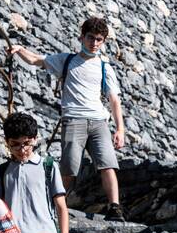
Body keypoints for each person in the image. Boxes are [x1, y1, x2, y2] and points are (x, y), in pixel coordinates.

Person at [8, 15, 127, 220]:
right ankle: (53, 205)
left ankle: (114, 207)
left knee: (107, 163)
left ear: (104, 41)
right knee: (69, 167)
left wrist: (120, 129)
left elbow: (114, 100)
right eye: (91, 38)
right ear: (82, 37)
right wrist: (19, 50)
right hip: (74, 119)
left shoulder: (105, 68)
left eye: (99, 39)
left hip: (99, 121)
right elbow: (37, 60)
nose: (94, 43)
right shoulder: (67, 60)